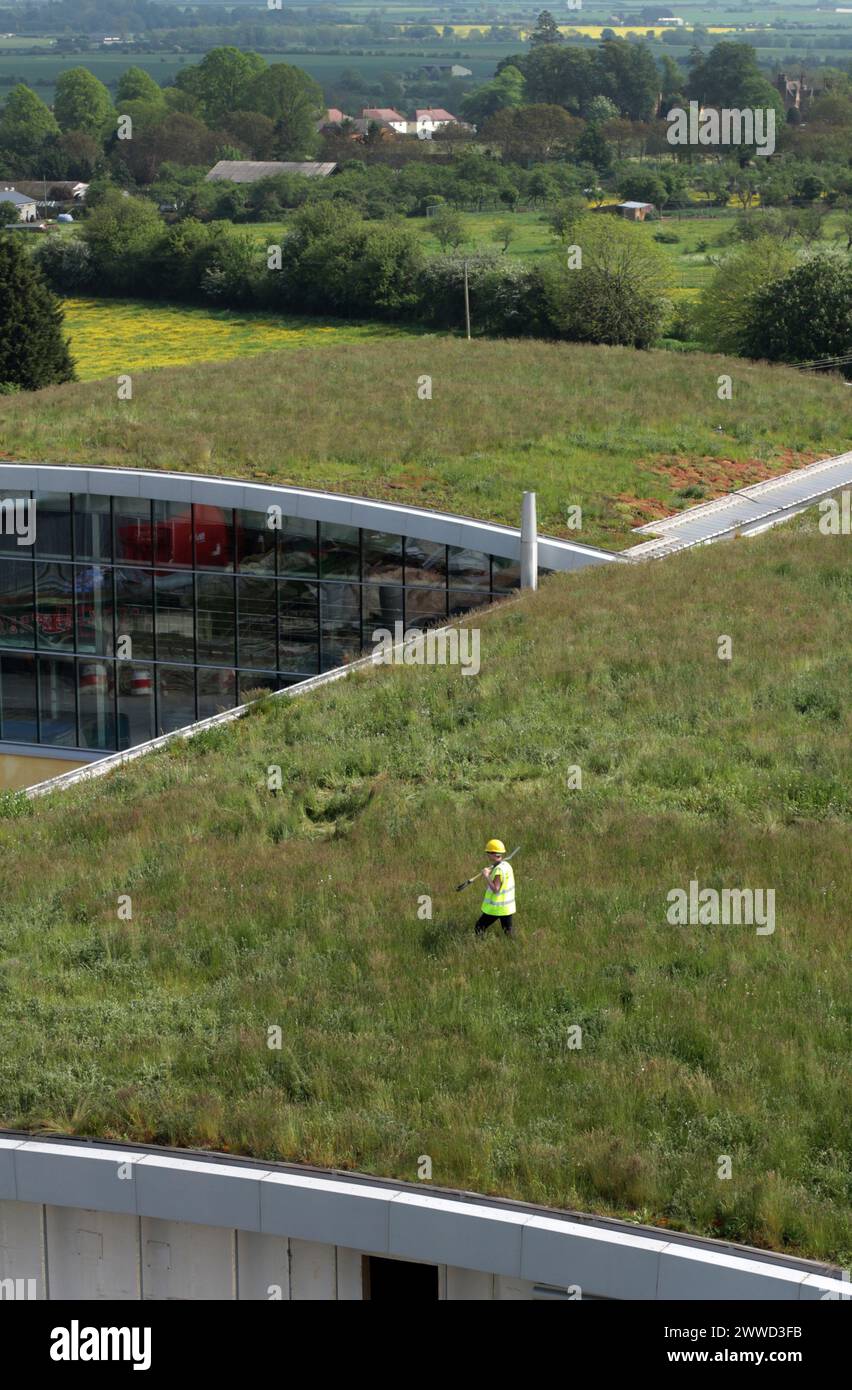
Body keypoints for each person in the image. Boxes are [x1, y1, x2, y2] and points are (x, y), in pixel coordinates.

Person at [474, 839, 515, 937]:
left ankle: (480, 948)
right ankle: (514, 948)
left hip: (497, 907)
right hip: (507, 907)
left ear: (493, 854)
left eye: (488, 852)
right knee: (508, 933)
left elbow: (496, 889)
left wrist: (486, 875)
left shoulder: (499, 870)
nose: (487, 855)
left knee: (479, 927)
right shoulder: (506, 865)